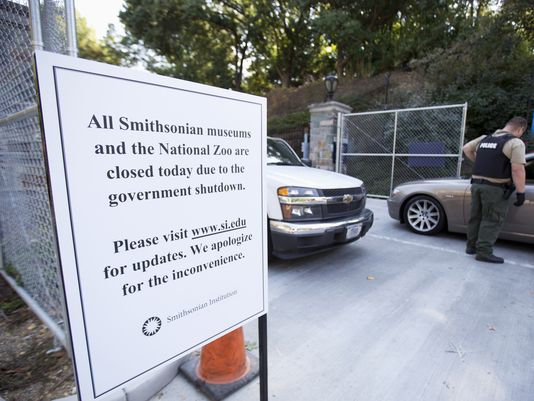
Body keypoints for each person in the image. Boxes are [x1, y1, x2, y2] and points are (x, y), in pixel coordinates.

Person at [462, 116, 527, 263]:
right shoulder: (515, 142)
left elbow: (466, 149)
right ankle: (484, 253)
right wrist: (521, 192)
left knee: (476, 217)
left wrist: (480, 162)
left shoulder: (485, 139)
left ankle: (471, 247)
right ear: (520, 129)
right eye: (522, 132)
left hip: (477, 185)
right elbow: (518, 170)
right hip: (495, 189)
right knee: (492, 220)